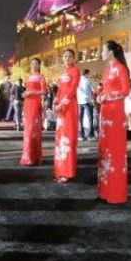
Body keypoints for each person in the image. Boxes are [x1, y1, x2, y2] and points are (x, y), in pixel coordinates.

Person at [97, 40, 131, 204]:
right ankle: (105, 190)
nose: (101, 53)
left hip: (116, 114)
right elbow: (106, 88)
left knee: (115, 150)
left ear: (110, 52)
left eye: (103, 50)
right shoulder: (107, 70)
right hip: (105, 113)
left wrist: (107, 96)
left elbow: (125, 91)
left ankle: (116, 193)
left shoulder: (120, 68)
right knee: (105, 149)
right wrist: (100, 93)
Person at [53, 50, 80, 183]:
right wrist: (55, 102)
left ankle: (68, 172)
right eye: (65, 56)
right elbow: (60, 90)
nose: (67, 58)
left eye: (70, 56)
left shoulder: (75, 71)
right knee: (60, 138)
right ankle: (60, 170)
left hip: (69, 107)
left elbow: (72, 90)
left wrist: (62, 104)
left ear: (74, 58)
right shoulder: (64, 73)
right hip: (61, 108)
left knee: (68, 138)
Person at [20, 58, 47, 166]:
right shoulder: (28, 77)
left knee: (33, 130)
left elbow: (44, 91)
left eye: (36, 64)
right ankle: (27, 156)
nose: (34, 65)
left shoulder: (41, 77)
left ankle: (34, 157)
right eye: (32, 64)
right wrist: (25, 94)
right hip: (27, 104)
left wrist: (31, 92)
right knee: (27, 131)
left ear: (39, 65)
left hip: (35, 104)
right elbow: (27, 91)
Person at [77, 69, 95, 140]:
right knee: (90, 118)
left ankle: (81, 135)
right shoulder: (88, 80)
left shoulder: (78, 80)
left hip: (79, 101)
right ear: (87, 74)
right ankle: (91, 135)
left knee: (80, 118)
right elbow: (94, 90)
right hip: (87, 101)